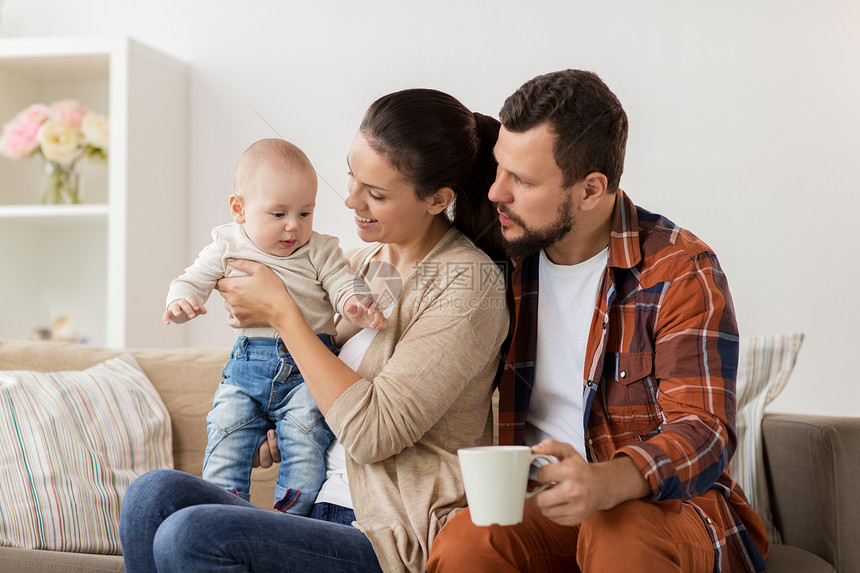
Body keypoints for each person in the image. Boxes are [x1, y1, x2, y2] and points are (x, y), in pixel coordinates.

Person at [119, 89, 509, 572]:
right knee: (152, 495)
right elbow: (325, 386)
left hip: (384, 532)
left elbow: (372, 434)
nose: (349, 200)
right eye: (351, 174)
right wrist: (274, 419)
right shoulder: (365, 265)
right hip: (314, 508)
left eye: (377, 194)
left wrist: (284, 314)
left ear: (438, 199)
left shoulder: (467, 283)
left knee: (192, 533)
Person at [427, 70, 769, 573]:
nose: (497, 192)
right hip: (546, 507)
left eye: (521, 180)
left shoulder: (679, 268)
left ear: (591, 190)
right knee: (470, 539)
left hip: (665, 511)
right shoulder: (505, 263)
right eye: (500, 169)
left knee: (619, 530)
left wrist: (605, 482)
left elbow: (705, 429)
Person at [162, 138, 386, 516]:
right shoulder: (226, 245)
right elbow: (191, 279)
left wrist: (354, 303)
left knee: (305, 436)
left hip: (307, 372)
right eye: (279, 214)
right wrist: (180, 300)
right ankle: (225, 511)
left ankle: (291, 515)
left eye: (305, 213)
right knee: (225, 430)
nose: (293, 227)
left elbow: (343, 282)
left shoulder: (320, 250)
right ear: (239, 209)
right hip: (247, 368)